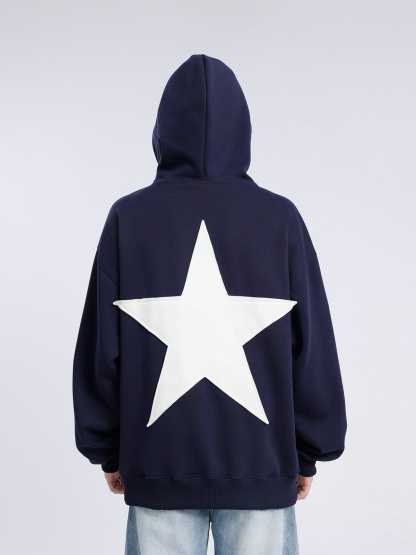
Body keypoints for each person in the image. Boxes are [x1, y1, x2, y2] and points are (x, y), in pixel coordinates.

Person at [73, 54, 347, 555]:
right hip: (261, 464)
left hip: (158, 462)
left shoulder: (129, 219)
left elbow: (100, 349)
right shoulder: (280, 220)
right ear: (243, 129)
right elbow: (312, 347)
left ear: (162, 129)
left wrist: (106, 448)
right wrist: (310, 449)